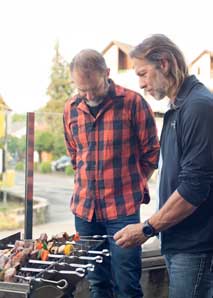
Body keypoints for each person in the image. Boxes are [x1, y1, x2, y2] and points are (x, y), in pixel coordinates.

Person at [114, 34, 213, 298]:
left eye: (143, 74)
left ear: (165, 64)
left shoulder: (198, 107)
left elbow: (194, 189)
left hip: (196, 246)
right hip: (178, 242)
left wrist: (147, 228)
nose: (141, 84)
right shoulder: (177, 107)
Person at [63, 49, 160, 298]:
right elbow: (75, 155)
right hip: (85, 213)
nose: (88, 95)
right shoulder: (71, 108)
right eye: (81, 89)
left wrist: (133, 184)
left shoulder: (133, 103)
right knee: (97, 284)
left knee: (126, 285)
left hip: (123, 211)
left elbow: (151, 152)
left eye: (93, 88)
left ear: (106, 73)